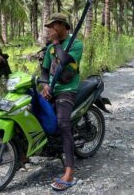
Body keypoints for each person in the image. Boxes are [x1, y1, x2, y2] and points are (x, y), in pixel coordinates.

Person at [40, 13, 83, 191]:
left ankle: (69, 172)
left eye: (55, 25)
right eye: (50, 26)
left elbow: (64, 60)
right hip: (53, 90)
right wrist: (44, 86)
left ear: (65, 27)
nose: (51, 29)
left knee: (63, 124)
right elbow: (44, 71)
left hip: (67, 91)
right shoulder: (50, 47)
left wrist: (56, 43)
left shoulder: (76, 44)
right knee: (34, 113)